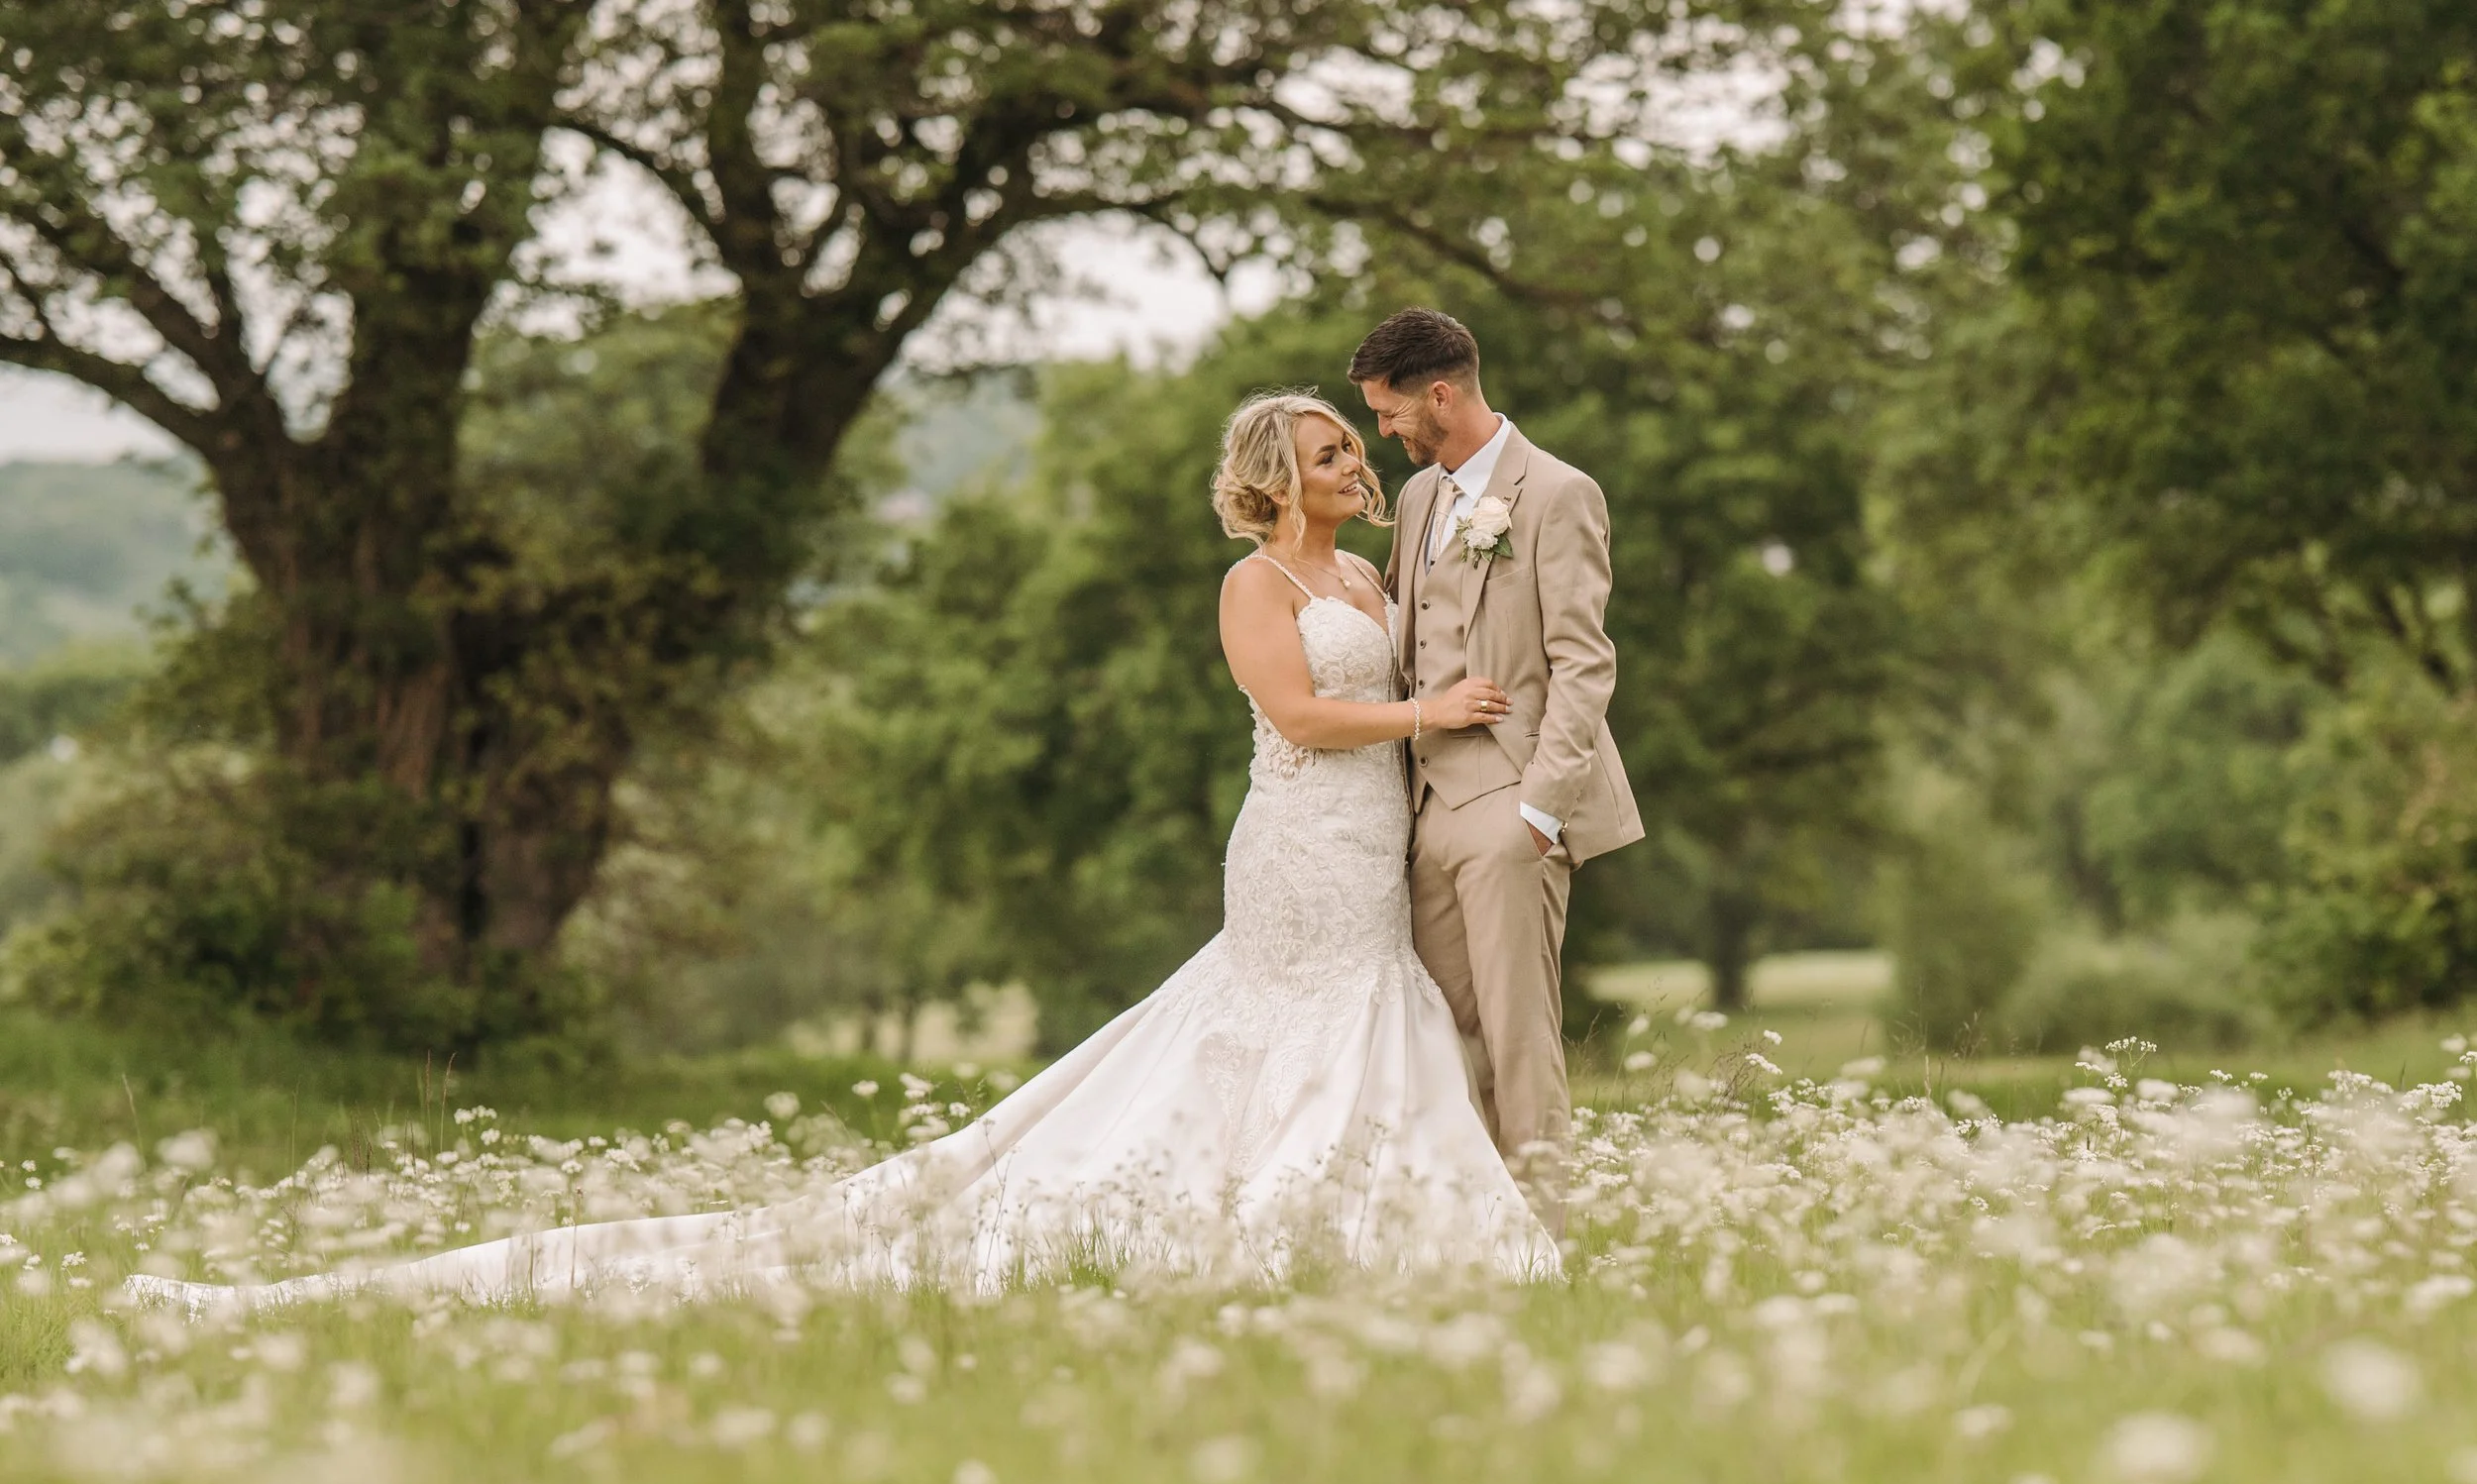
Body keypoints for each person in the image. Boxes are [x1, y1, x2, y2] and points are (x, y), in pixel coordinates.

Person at [128, 390, 1557, 1312]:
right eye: (1324, 448)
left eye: (1347, 443)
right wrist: (1425, 705)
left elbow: (1424, 669)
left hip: (1376, 841)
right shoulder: (1254, 584)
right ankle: (1240, 1214)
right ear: (1270, 476)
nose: (1348, 459)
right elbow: (1298, 708)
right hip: (1297, 839)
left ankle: (1381, 1214)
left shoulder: (1371, 567)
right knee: (1277, 1016)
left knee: (1373, 1003)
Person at [1350, 309, 1644, 1232]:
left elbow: (1584, 663)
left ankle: (1544, 1239)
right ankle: (1480, 1236)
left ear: (1440, 393)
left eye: (1391, 414)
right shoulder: (1422, 500)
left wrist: (1541, 813)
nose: (1384, 434)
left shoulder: (1558, 493)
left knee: (1520, 1043)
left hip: (1511, 804)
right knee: (1446, 1044)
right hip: (1423, 806)